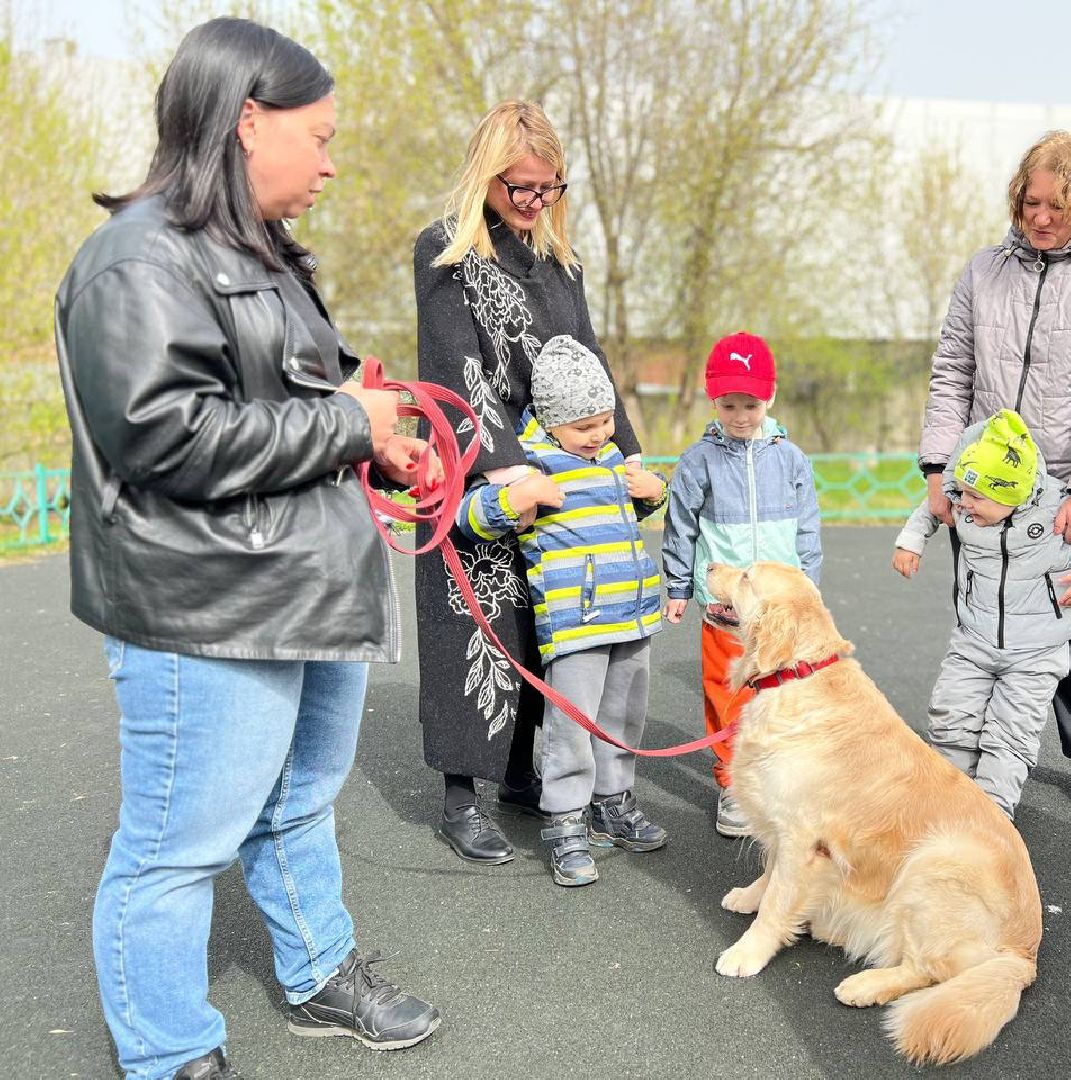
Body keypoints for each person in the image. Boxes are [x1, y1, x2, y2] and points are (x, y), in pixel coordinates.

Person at [55, 18, 439, 1079]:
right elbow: (164, 437)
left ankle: (317, 971)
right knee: (175, 850)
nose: (330, 162)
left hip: (305, 587)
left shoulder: (260, 253)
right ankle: (169, 1052)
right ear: (248, 120)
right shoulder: (136, 259)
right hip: (209, 607)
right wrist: (349, 423)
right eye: (319, 136)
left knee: (299, 802)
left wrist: (378, 443)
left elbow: (287, 408)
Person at [413, 101, 645, 865]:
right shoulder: (444, 251)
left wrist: (627, 459)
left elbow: (591, 365)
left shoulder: (560, 265)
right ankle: (460, 797)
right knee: (477, 628)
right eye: (520, 187)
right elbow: (456, 371)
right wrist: (511, 473)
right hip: (476, 464)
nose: (535, 201)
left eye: (550, 188)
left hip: (557, 470)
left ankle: (521, 778)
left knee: (548, 628)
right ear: (486, 176)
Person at [918, 131, 1071, 816]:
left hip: (1063, 481)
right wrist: (939, 468)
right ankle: (975, 757)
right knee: (981, 614)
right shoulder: (985, 270)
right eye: (1030, 203)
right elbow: (952, 370)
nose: (1041, 218)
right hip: (983, 480)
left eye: (1057, 205)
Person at [454, 336, 669, 886]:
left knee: (623, 718)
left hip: (632, 616)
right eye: (584, 426)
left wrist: (654, 492)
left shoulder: (613, 457)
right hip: (577, 623)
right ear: (552, 422)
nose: (599, 434)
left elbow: (631, 509)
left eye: (605, 421)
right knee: (571, 727)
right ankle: (565, 821)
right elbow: (469, 517)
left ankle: (613, 802)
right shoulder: (528, 466)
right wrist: (514, 500)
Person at [894, 411, 1071, 819]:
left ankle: (991, 817)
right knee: (950, 722)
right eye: (962, 493)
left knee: (1010, 737)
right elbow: (930, 509)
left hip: (1037, 654)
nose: (964, 505)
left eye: (976, 497)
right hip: (972, 644)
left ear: (1012, 494)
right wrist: (910, 542)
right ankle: (946, 806)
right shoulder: (966, 499)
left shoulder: (1056, 509)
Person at [661, 332, 823, 836]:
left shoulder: (791, 458)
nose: (739, 416)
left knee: (783, 693)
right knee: (727, 692)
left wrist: (809, 589)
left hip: (779, 607)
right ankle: (734, 783)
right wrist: (678, 587)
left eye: (750, 405)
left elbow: (808, 528)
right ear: (714, 401)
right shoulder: (699, 460)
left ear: (769, 398)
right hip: (726, 606)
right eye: (728, 405)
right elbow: (680, 525)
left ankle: (780, 778)